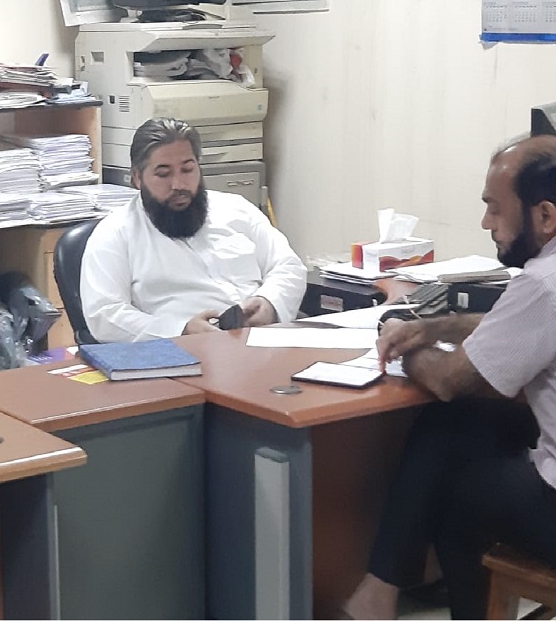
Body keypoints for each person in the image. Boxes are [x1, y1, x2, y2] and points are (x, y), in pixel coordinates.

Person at [343, 134, 556, 620]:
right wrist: (435, 328)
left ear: (545, 216)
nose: (486, 223)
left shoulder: (544, 284)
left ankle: (380, 595)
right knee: (464, 424)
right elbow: (514, 329)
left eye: (494, 208)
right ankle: (377, 594)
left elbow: (448, 381)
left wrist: (399, 341)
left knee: (458, 488)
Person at [80, 117, 307, 343]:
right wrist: (180, 330)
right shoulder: (114, 233)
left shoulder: (238, 210)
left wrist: (270, 302)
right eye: (163, 174)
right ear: (137, 178)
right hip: (180, 353)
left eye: (187, 170)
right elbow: (104, 314)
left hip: (264, 342)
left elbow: (288, 265)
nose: (179, 185)